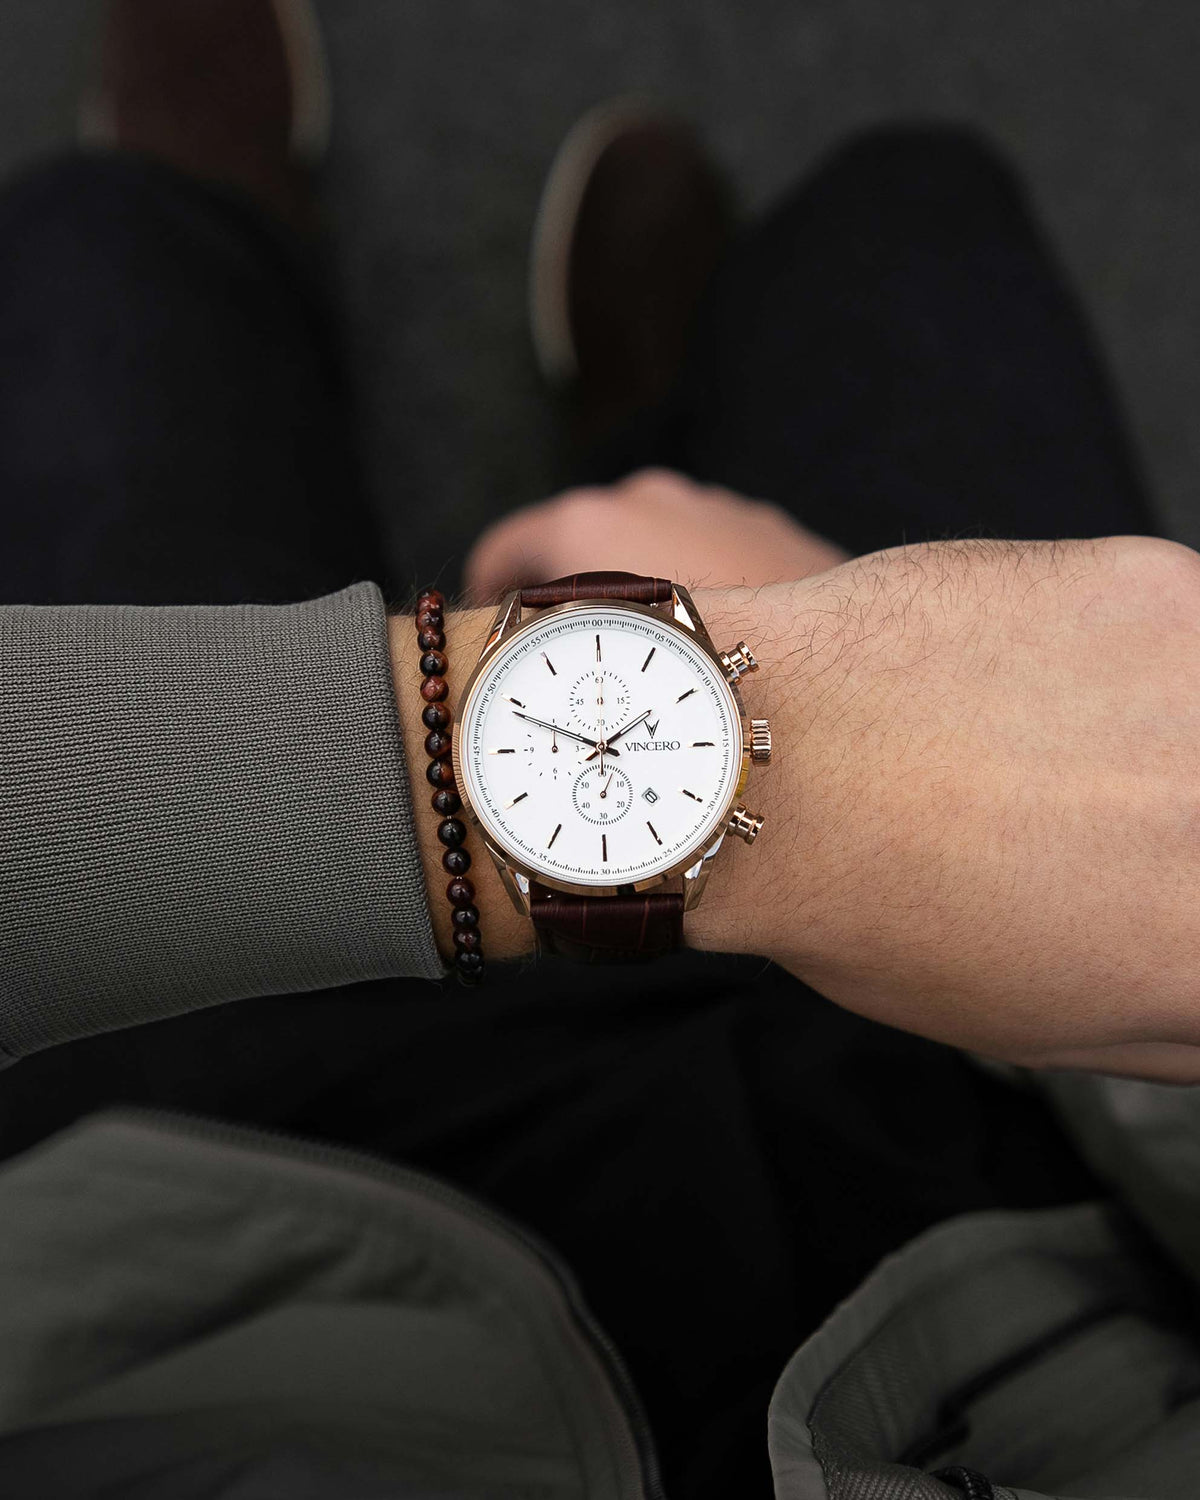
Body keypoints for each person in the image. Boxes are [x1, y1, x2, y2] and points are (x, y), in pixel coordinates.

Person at [2, 4, 1200, 1499]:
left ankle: (199, 221)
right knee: (908, 207)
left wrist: (434, 753)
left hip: (186, 1190)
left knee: (103, 292)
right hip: (997, 1169)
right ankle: (655, 436)